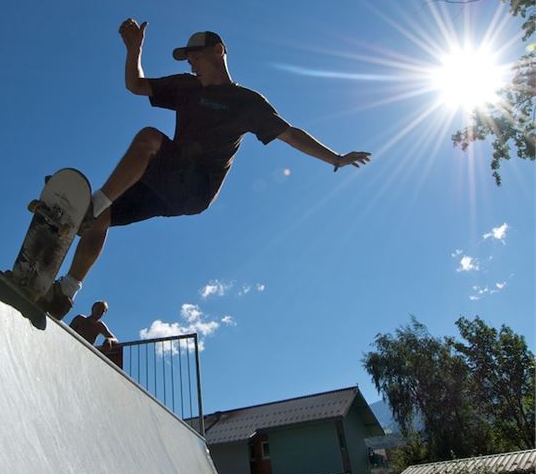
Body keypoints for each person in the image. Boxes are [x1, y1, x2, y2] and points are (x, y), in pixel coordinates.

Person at [43, 20, 371, 319]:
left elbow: (290, 134)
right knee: (105, 218)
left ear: (218, 51)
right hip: (164, 184)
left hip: (196, 187)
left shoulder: (245, 101)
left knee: (149, 138)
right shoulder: (186, 87)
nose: (191, 64)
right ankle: (67, 292)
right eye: (189, 60)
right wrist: (134, 50)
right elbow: (136, 85)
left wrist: (336, 158)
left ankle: (92, 206)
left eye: (196, 57)